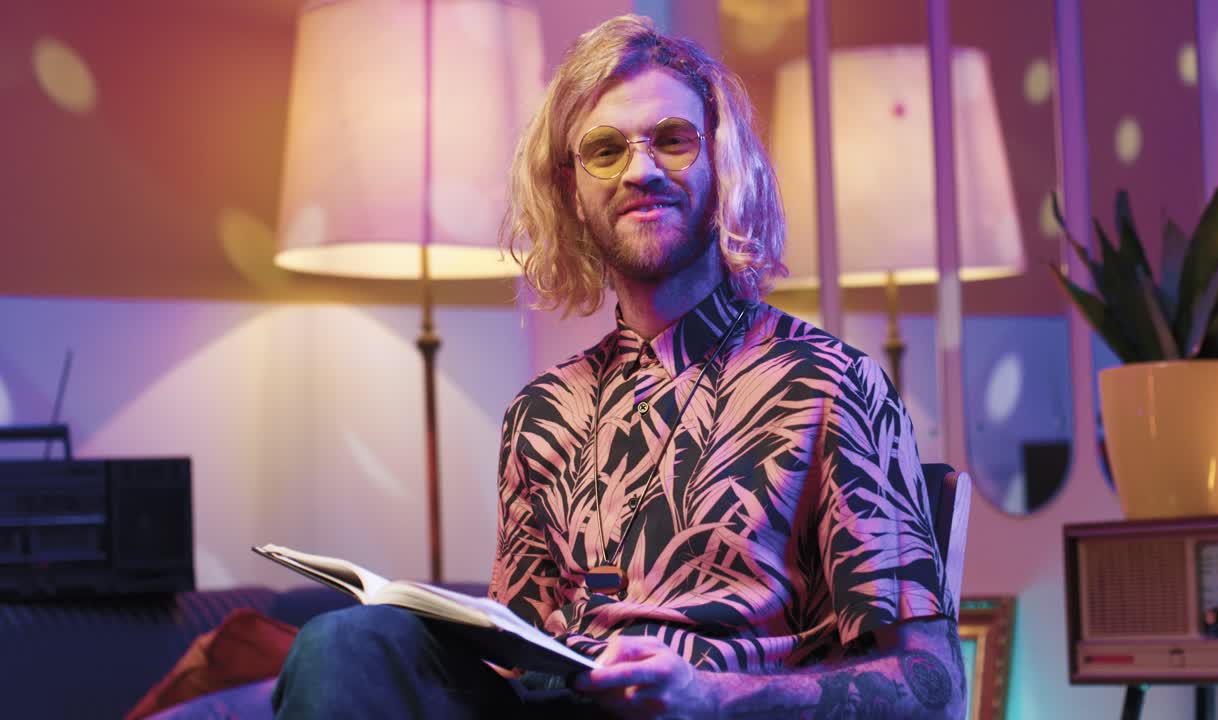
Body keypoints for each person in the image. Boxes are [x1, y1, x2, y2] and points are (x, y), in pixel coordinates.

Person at [273, 14, 964, 719]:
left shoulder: (830, 384)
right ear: (572, 189)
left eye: (672, 140)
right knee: (349, 640)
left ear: (722, 164)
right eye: (605, 150)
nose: (640, 170)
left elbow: (933, 685)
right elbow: (517, 656)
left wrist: (708, 696)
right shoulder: (543, 413)